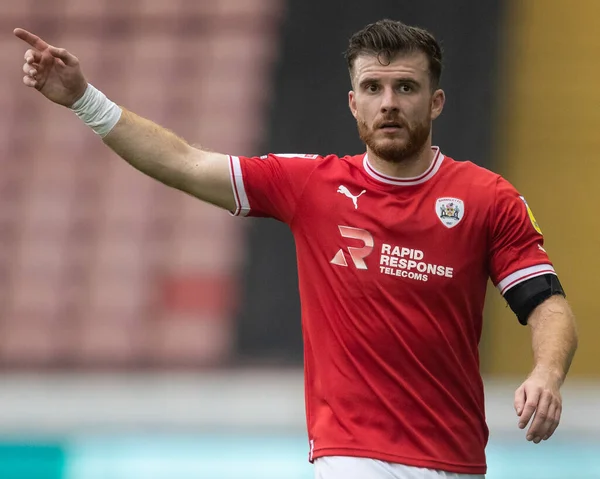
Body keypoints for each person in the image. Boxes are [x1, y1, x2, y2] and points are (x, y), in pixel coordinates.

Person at [14, 19, 578, 479]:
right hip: (351, 456)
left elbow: (547, 304)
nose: (388, 103)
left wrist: (547, 375)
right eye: (373, 89)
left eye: (405, 88)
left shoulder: (486, 198)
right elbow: (185, 163)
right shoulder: (312, 186)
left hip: (456, 459)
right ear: (352, 103)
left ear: (436, 103)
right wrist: (85, 100)